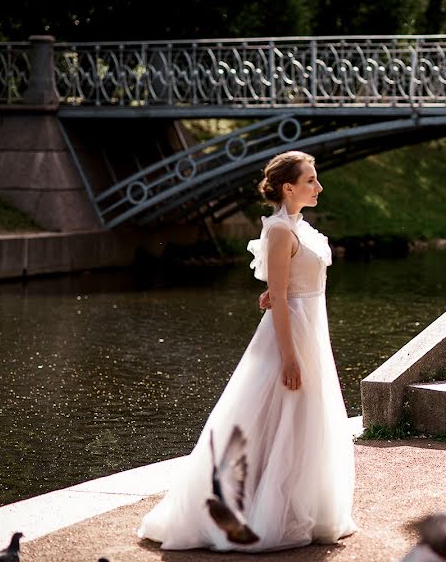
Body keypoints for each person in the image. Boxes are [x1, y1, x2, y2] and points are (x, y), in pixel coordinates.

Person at [138, 150, 357, 551]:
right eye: (311, 180)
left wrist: (275, 295)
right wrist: (289, 357)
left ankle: (300, 508)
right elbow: (281, 294)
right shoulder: (277, 231)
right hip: (289, 338)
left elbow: (285, 287)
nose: (319, 186)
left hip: (311, 331)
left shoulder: (298, 227)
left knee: (301, 421)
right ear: (288, 187)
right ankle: (256, 512)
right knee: (271, 418)